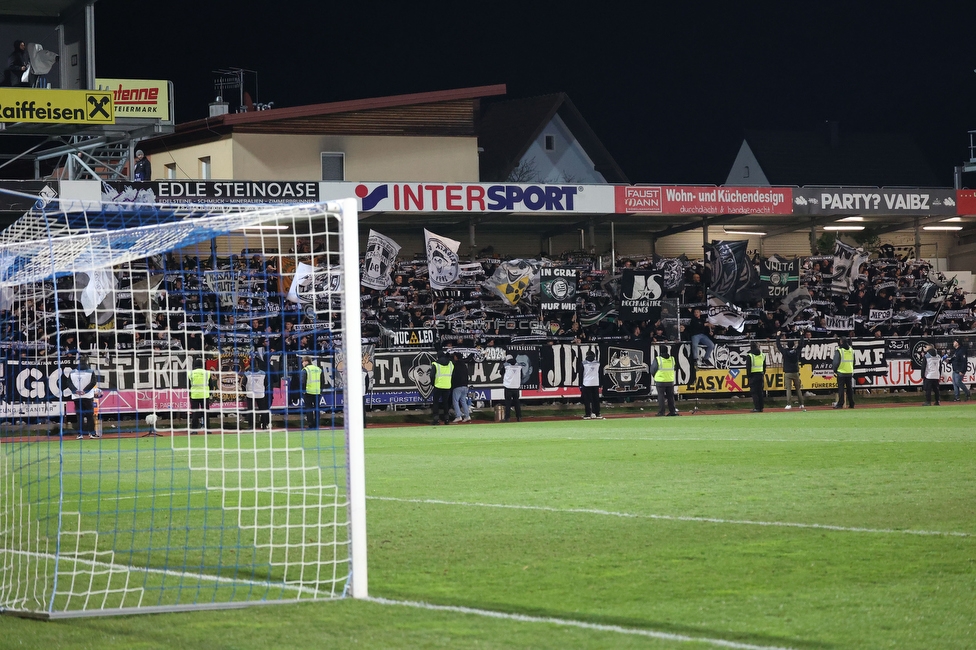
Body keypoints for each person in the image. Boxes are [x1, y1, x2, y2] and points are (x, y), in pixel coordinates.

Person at [68, 356, 99, 439]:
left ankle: (80, 434)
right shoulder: (90, 372)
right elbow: (93, 382)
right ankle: (92, 433)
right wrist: (85, 391)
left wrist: (75, 391)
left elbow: (69, 383)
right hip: (87, 396)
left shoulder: (72, 373)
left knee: (79, 416)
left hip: (76, 397)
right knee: (89, 415)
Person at [776, 333, 805, 410]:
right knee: (798, 389)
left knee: (788, 389)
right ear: (793, 345)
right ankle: (801, 404)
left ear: (787, 345)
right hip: (795, 372)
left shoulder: (785, 352)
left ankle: (789, 404)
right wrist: (801, 335)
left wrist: (778, 336)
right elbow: (801, 345)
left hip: (788, 372)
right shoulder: (796, 351)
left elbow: (778, 346)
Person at [650, 345, 678, 417]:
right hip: (670, 381)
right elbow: (675, 368)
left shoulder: (658, 359)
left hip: (660, 381)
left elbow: (652, 370)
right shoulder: (672, 359)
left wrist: (655, 377)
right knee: (670, 397)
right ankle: (673, 411)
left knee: (661, 396)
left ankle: (661, 412)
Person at [243, 357, 270, 429]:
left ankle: (251, 426)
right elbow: (267, 384)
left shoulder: (247, 374)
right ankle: (264, 426)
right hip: (261, 394)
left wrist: (244, 392)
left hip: (250, 394)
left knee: (251, 411)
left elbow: (243, 384)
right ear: (257, 364)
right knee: (263, 410)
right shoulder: (263, 373)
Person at [187, 357, 213, 432]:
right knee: (206, 413)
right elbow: (211, 385)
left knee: (195, 413)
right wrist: (209, 393)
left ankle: (194, 429)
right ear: (202, 365)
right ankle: (207, 429)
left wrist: (190, 394)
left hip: (194, 395)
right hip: (205, 395)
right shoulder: (207, 373)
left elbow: (188, 386)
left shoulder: (191, 373)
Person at [429, 351, 454, 425]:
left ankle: (436, 419)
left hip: (438, 385)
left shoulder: (435, 364)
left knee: (436, 403)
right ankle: (447, 419)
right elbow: (453, 374)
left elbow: (432, 375)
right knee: (445, 403)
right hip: (447, 386)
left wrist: (433, 383)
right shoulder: (450, 364)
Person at [577, 349, 603, 419]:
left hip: (586, 383)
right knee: (596, 399)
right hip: (595, 383)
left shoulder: (583, 363)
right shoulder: (598, 363)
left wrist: (580, 385)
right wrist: (600, 383)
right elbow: (600, 374)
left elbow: (581, 375)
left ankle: (588, 414)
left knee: (587, 400)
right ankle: (597, 413)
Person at [832, 337, 855, 409]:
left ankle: (840, 404)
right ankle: (851, 403)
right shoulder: (851, 350)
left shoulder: (839, 350)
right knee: (849, 389)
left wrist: (835, 370)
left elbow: (835, 362)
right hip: (849, 371)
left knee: (841, 389)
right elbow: (854, 361)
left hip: (841, 372)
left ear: (841, 342)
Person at [301, 356, 322, 429]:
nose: (302, 363)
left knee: (309, 409)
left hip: (308, 392)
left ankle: (311, 425)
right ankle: (317, 425)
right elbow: (322, 380)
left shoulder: (305, 370)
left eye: (303, 362)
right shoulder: (318, 369)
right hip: (317, 391)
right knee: (317, 409)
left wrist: (303, 390)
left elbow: (303, 381)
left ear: (306, 361)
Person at [450, 353, 471, 423]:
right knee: (463, 401)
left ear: (456, 357)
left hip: (457, 386)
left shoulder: (455, 365)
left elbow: (454, 376)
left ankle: (458, 416)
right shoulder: (464, 365)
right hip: (465, 386)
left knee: (455, 401)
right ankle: (467, 416)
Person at [747, 342, 766, 412]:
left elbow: (748, 368)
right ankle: (761, 407)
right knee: (760, 392)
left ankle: (757, 407)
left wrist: (749, 377)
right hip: (760, 375)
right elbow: (764, 366)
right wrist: (763, 373)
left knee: (754, 392)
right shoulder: (762, 355)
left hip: (753, 376)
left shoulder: (750, 356)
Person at [502, 355, 522, 422]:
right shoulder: (519, 366)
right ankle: (519, 417)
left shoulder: (506, 365)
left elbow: (501, 372)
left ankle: (507, 418)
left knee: (508, 403)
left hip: (508, 387)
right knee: (517, 403)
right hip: (516, 387)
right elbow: (522, 375)